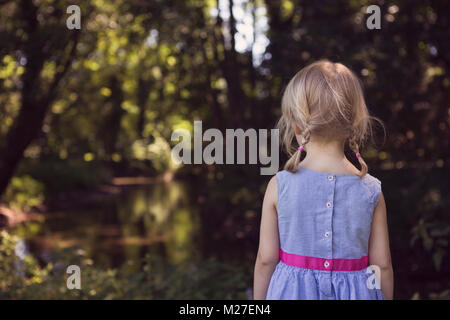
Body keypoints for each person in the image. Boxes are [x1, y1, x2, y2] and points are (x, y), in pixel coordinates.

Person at [253, 60, 393, 300]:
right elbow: (382, 266)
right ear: (352, 124)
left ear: (297, 125)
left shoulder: (280, 185)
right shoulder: (371, 190)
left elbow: (266, 260)